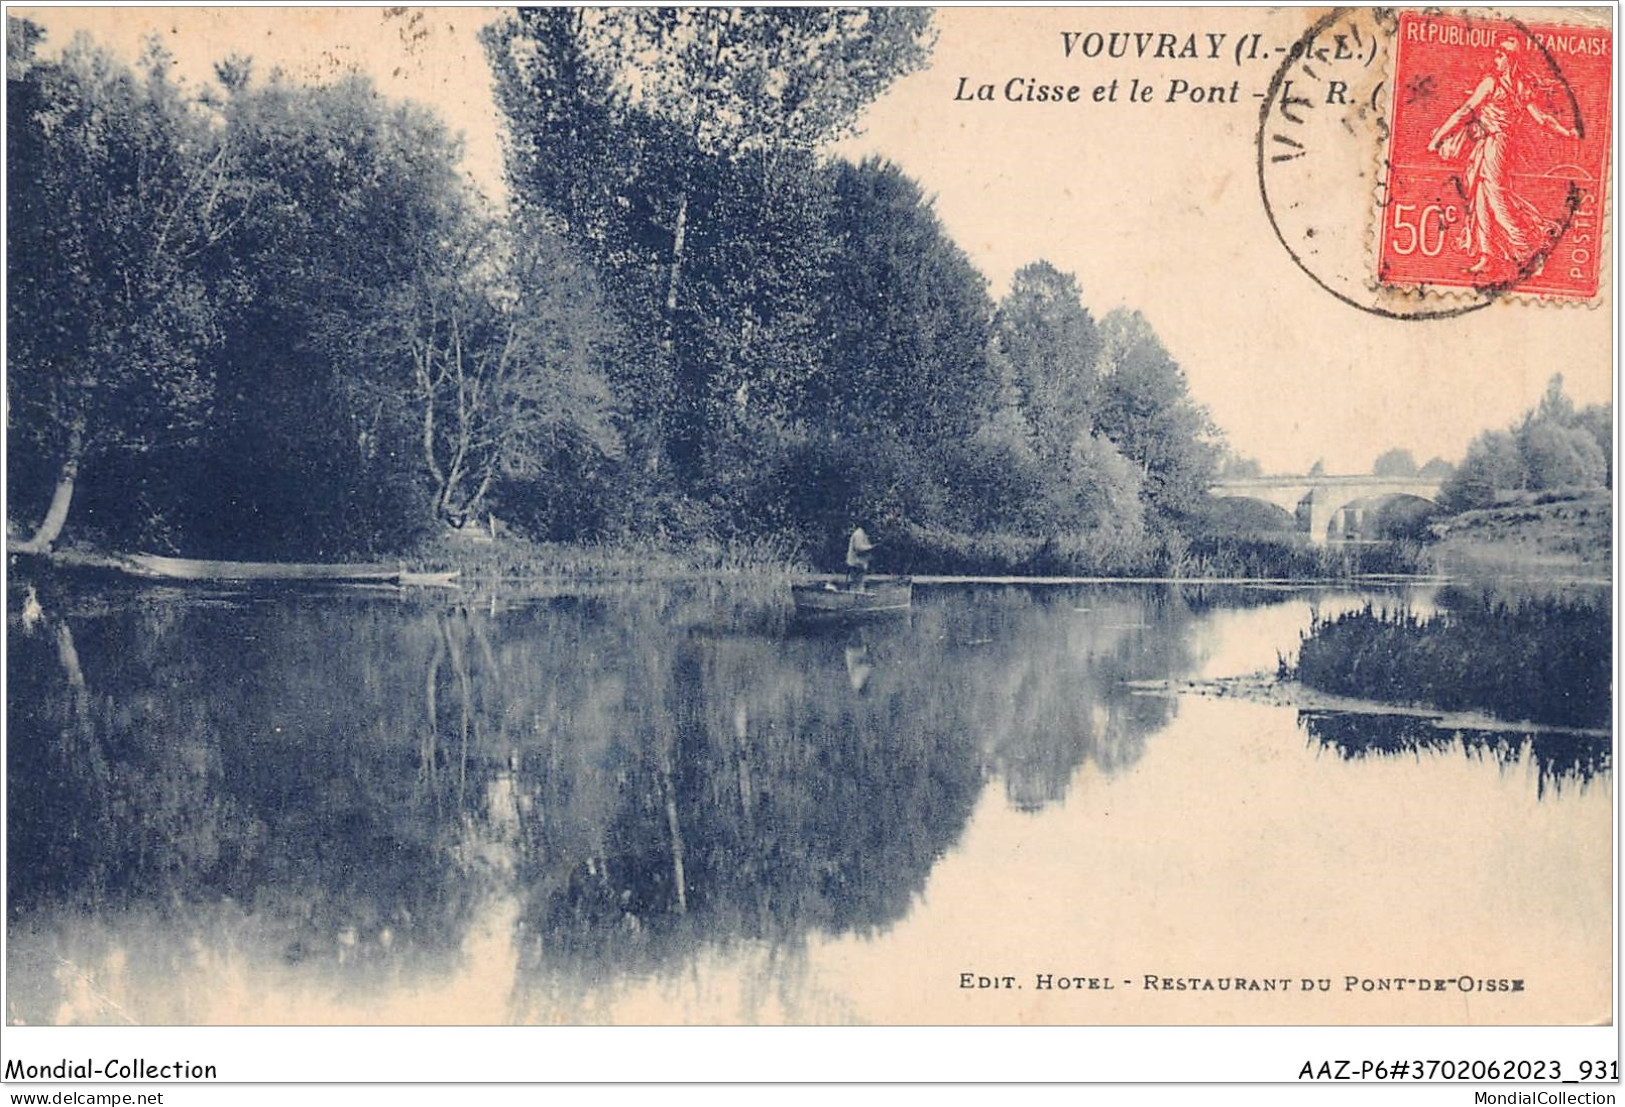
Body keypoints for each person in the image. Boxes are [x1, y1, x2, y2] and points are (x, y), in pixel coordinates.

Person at [1426, 36, 1577, 276]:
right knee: (1481, 197)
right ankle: (1488, 256)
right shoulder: (1518, 87)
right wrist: (1565, 130)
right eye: (1496, 52)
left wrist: (1437, 139)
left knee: (1496, 197)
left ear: (1512, 60)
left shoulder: (1495, 84)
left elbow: (1464, 112)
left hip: (1496, 145)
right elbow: (1542, 119)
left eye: (1501, 54)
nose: (1496, 57)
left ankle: (1527, 248)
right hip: (1492, 144)